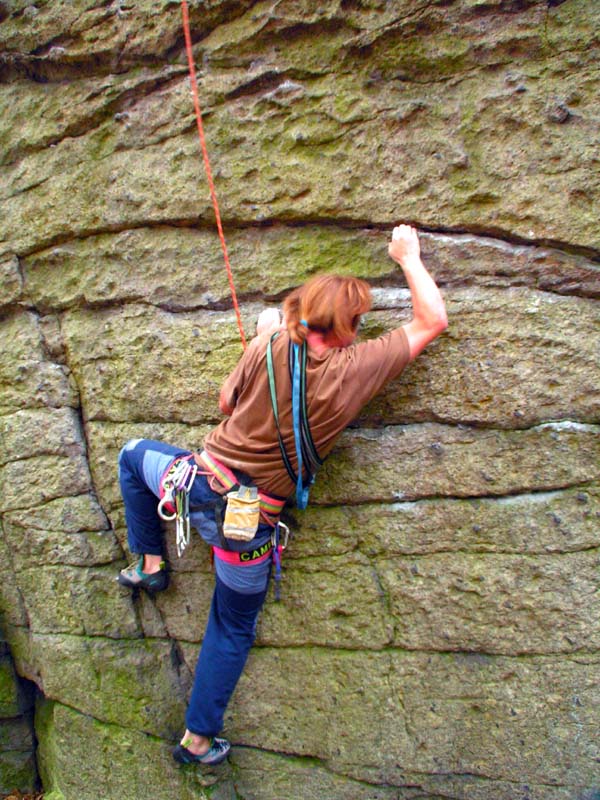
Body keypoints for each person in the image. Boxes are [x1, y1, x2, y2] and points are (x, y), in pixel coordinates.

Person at [116, 224, 447, 766]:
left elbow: (226, 402)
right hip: (248, 523)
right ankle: (197, 740)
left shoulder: (269, 341)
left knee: (132, 454)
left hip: (194, 481)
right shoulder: (354, 368)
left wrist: (259, 339)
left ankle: (151, 562)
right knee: (231, 624)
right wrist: (408, 257)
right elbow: (432, 320)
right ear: (349, 326)